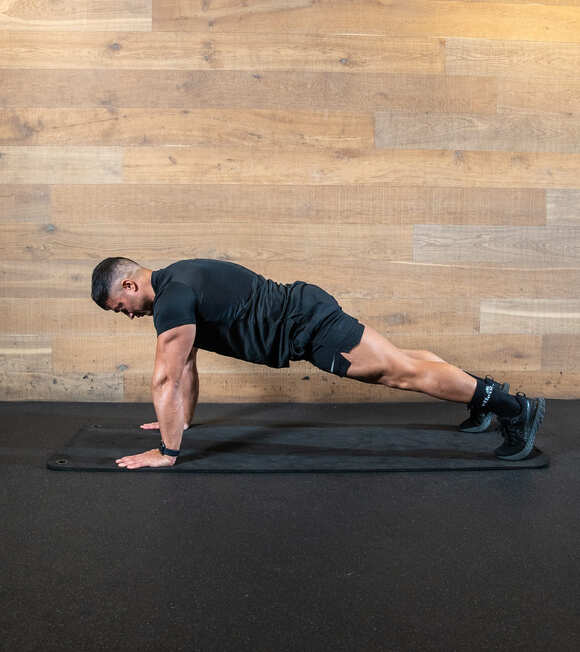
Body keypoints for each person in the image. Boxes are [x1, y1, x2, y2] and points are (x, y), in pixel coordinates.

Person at [91, 257, 546, 470]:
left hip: (309, 326)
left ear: (130, 285)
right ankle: (483, 401)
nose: (128, 316)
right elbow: (185, 367)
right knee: (403, 361)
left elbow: (165, 378)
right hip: (305, 315)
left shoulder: (173, 301)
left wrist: (168, 452)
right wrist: (181, 423)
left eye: (120, 307)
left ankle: (513, 409)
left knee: (400, 372)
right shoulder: (180, 278)